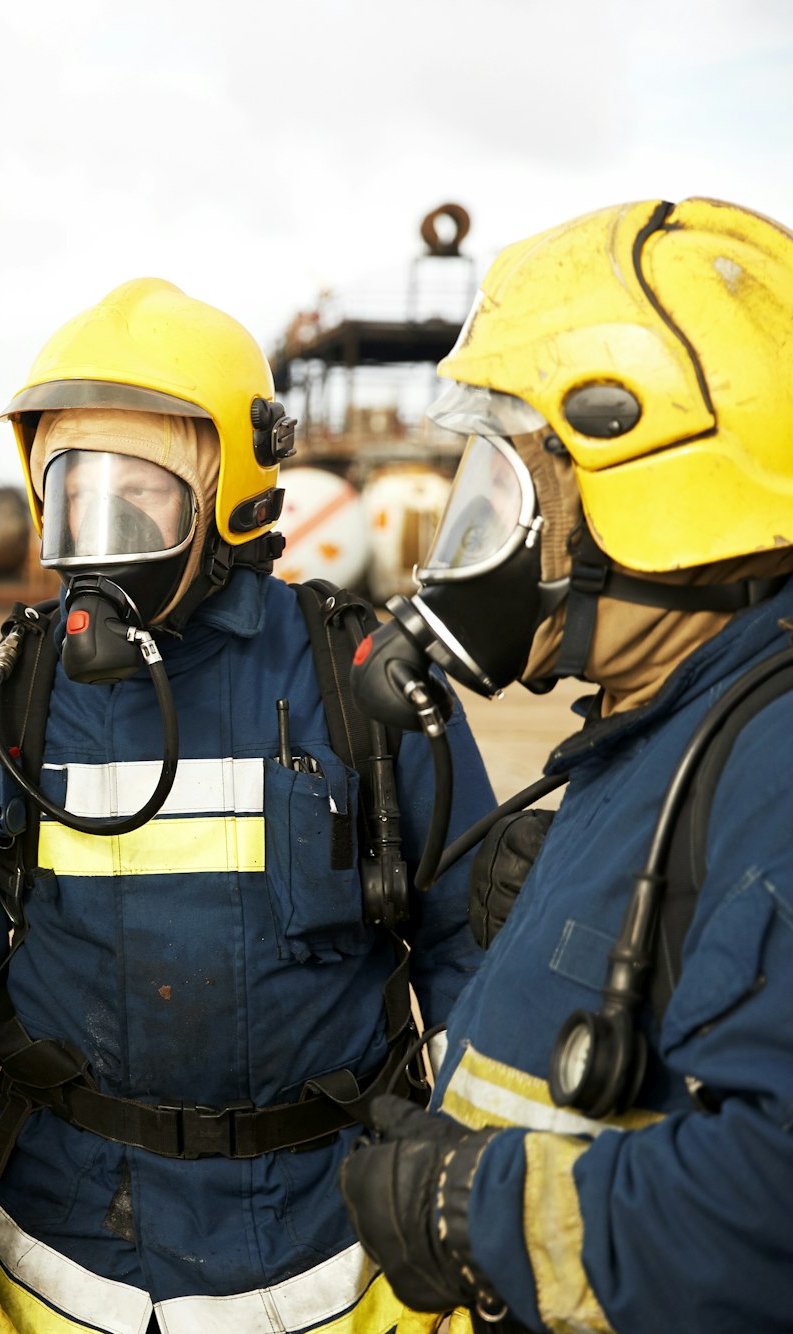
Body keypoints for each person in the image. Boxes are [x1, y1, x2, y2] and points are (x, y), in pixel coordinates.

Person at [0, 278, 495, 1334]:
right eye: (73, 486)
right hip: (61, 1275)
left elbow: (475, 965)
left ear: (231, 490)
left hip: (328, 1269)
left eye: (137, 489)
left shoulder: (361, 684)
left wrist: (450, 1228)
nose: (99, 525)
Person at [338, 197, 793, 1333]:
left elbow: (769, 1202)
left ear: (650, 487)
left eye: (515, 487)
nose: (482, 533)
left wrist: (464, 1207)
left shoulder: (772, 761)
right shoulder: (663, 719)